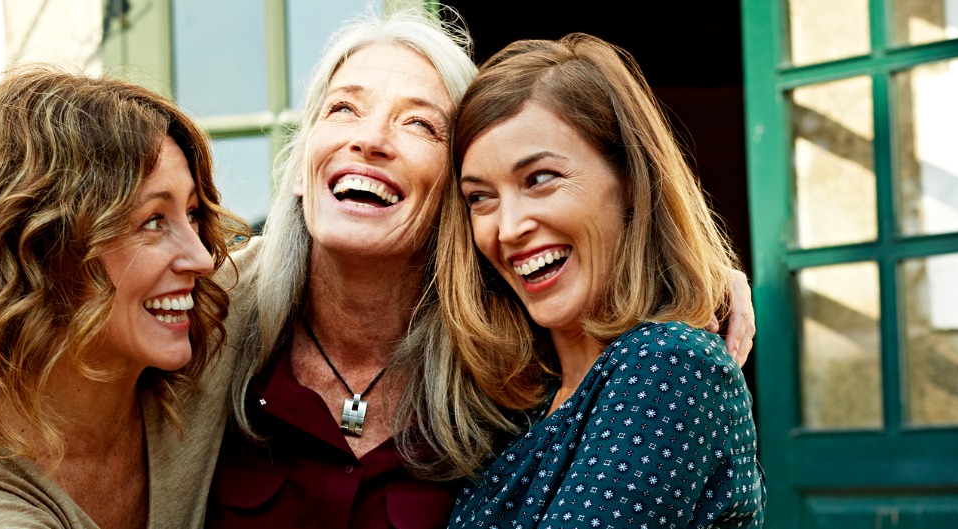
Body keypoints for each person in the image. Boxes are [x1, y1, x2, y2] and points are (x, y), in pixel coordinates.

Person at [201, 11, 757, 529]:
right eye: (482, 196)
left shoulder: (609, 369)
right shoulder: (212, 323)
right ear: (299, 165)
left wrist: (695, 282)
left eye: (419, 124)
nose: (511, 225)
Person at [0, 67, 249, 528]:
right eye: (153, 221)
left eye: (193, 214)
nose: (201, 258)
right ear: (40, 252)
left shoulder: (208, 325)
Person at [438, 34, 765, 528]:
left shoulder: (669, 364)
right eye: (480, 198)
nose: (507, 228)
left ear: (630, 178)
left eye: (540, 178)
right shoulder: (518, 407)